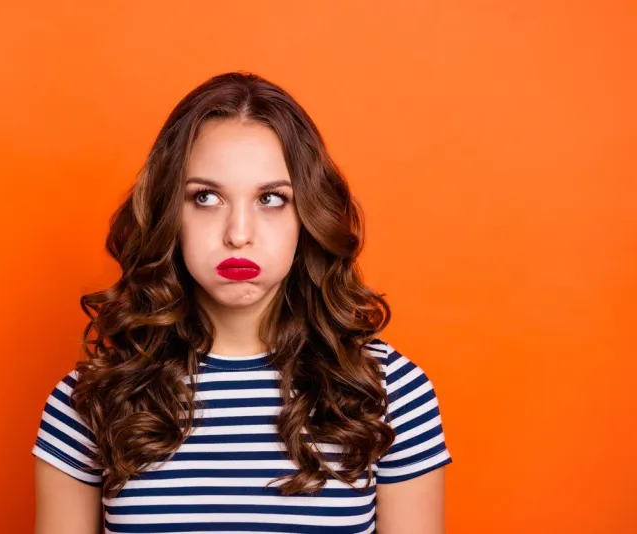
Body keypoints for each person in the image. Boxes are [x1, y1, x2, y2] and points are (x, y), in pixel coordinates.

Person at [32, 71, 452, 534]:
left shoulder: (388, 392)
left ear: (307, 215)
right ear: (169, 212)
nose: (238, 234)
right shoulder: (92, 399)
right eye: (206, 197)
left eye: (270, 198)